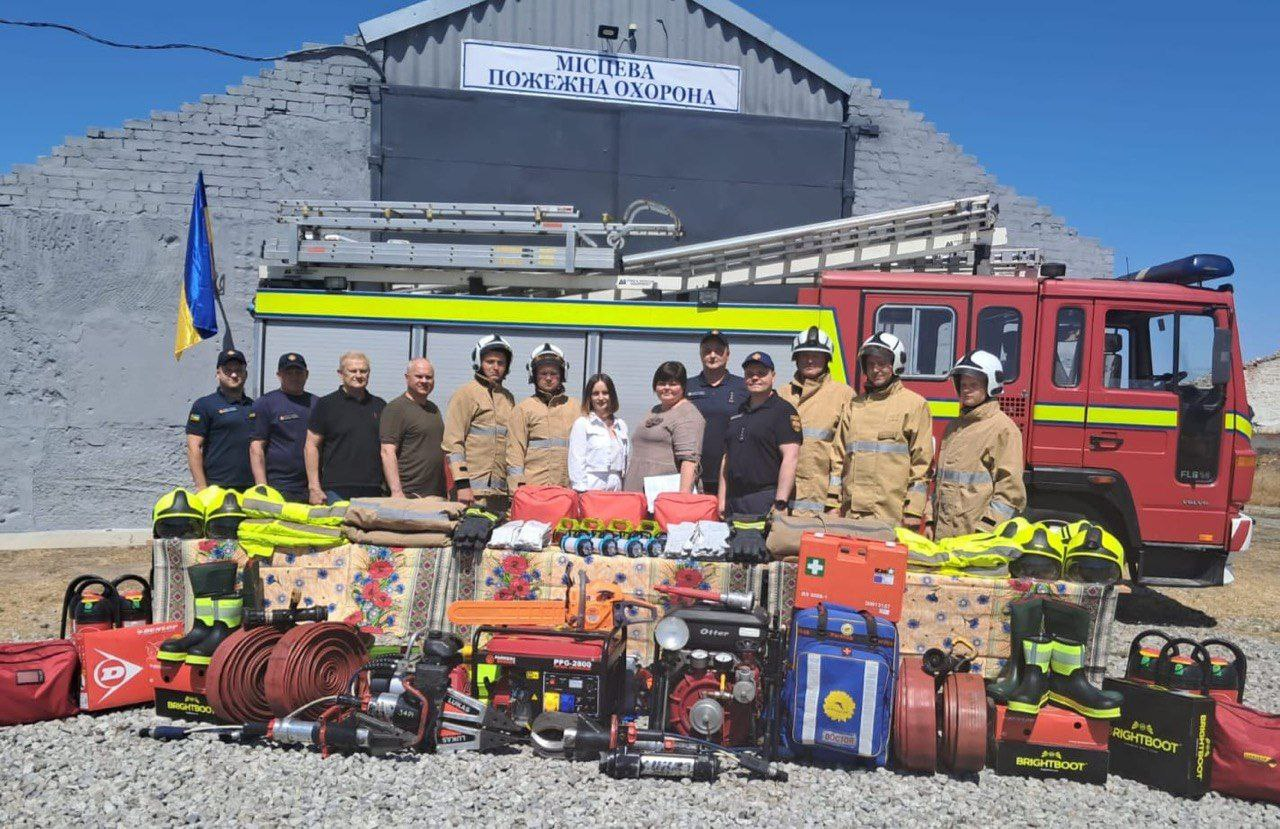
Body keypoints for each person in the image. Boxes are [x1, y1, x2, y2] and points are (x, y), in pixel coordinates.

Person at [832, 332, 933, 528]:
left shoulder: (915, 405)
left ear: (895, 364)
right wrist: (832, 503)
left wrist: (913, 510)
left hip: (893, 516)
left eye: (882, 364)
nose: (875, 370)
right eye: (870, 364)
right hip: (852, 515)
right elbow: (838, 457)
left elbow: (922, 464)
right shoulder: (853, 406)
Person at [932, 350, 1027, 539]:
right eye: (963, 385)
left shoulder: (1003, 428)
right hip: (943, 534)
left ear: (990, 386)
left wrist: (986, 529)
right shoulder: (954, 427)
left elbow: (1010, 491)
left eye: (973, 385)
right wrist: (930, 520)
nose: (966, 390)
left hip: (976, 537)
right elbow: (940, 481)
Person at [777, 327, 853, 515]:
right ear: (796, 358)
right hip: (782, 500)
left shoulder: (844, 395)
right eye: (804, 355)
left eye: (816, 355)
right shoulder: (781, 394)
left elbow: (846, 454)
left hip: (823, 500)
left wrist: (836, 501)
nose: (809, 360)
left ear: (827, 359)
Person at [718, 352, 802, 517]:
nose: (755, 378)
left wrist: (780, 502)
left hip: (765, 498)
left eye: (761, 373)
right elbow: (726, 458)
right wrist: (722, 498)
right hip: (734, 499)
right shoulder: (738, 411)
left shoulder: (783, 411)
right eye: (750, 374)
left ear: (773, 376)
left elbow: (791, 458)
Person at [443, 334, 516, 508]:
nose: (495, 367)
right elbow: (453, 444)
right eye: (490, 362)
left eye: (501, 363)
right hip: (470, 493)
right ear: (479, 362)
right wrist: (462, 485)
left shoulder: (508, 398)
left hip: (499, 494)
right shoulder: (465, 394)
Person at [304, 351, 387, 503]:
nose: (358, 375)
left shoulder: (380, 405)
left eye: (363, 371)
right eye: (353, 371)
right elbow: (311, 446)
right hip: (336, 490)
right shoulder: (326, 404)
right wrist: (314, 487)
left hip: (373, 488)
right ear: (341, 374)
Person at [623, 361, 705, 495]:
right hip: (637, 495)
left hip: (663, 497)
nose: (666, 388)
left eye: (673, 384)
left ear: (683, 386)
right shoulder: (654, 410)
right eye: (661, 383)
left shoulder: (687, 415)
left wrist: (682, 498)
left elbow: (689, 462)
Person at [507, 343, 580, 489]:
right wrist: (517, 490)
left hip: (566, 491)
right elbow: (515, 454)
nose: (548, 378)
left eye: (553, 373)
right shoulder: (522, 409)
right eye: (543, 373)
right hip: (533, 490)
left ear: (562, 375)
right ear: (533, 375)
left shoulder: (576, 408)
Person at [685, 330, 748, 496]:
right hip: (693, 474)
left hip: (731, 474)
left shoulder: (743, 387)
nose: (712, 355)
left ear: (727, 354)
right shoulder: (687, 386)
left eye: (718, 351)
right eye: (707, 351)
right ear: (700, 354)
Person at [249, 352, 317, 502]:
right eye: (288, 372)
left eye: (298, 372)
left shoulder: (317, 404)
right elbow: (256, 447)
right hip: (278, 487)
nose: (294, 377)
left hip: (311, 487)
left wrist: (316, 486)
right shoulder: (266, 403)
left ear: (306, 375)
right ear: (279, 375)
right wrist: (262, 487)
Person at [186, 348, 255, 491]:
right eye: (228, 370)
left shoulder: (254, 406)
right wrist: (201, 487)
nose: (234, 375)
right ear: (218, 374)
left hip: (251, 487)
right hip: (217, 487)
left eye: (239, 370)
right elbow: (194, 447)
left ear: (246, 374)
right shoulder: (204, 405)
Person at [380, 358, 446, 499]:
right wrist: (396, 491)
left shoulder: (433, 409)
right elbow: (387, 451)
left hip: (435, 495)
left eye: (428, 377)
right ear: (407, 377)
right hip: (408, 494)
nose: (424, 381)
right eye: (419, 376)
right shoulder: (396, 408)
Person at [568, 373, 629, 492]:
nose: (601, 398)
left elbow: (626, 462)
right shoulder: (582, 424)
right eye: (595, 393)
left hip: (616, 486)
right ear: (589, 397)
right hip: (591, 487)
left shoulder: (621, 425)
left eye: (605, 393)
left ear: (612, 395)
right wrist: (581, 491)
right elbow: (576, 461)